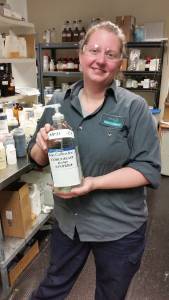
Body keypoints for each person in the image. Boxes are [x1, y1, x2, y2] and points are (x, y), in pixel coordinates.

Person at [28, 20, 161, 300]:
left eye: (110, 54)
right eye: (94, 50)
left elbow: (147, 169)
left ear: (120, 63)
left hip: (118, 229)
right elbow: (37, 159)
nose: (100, 60)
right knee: (51, 289)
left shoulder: (133, 107)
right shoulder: (58, 102)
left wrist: (93, 183)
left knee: (110, 295)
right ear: (81, 54)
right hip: (69, 223)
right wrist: (41, 146)